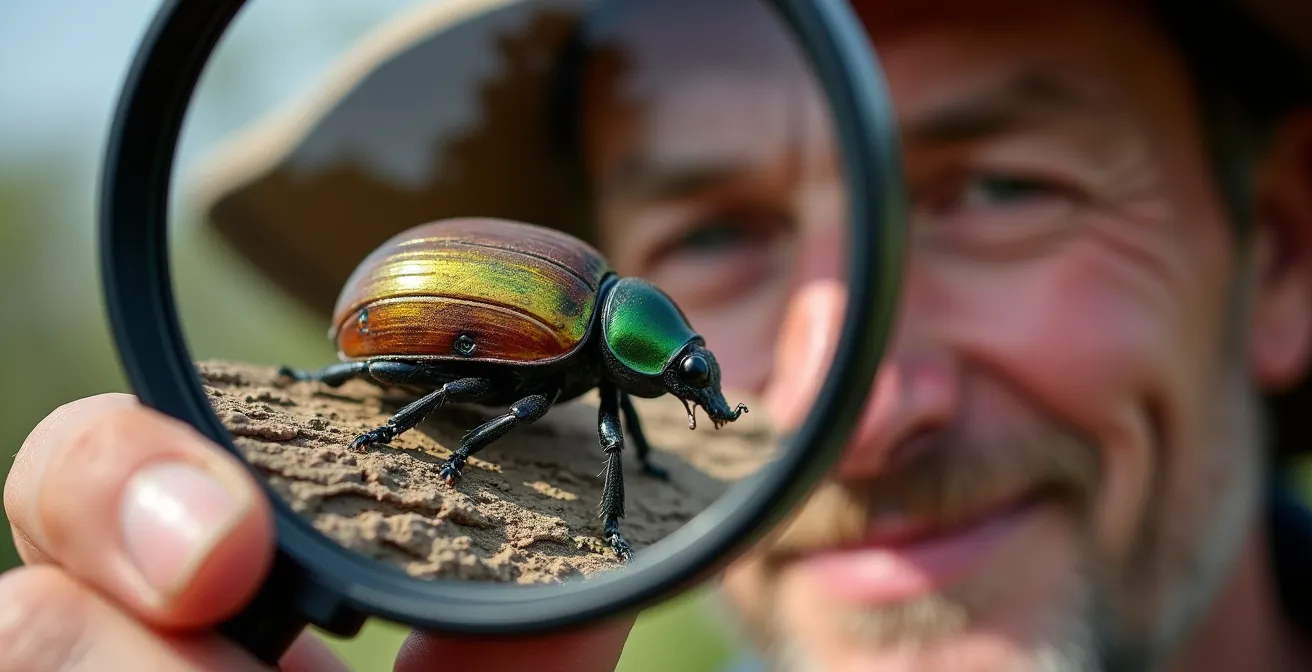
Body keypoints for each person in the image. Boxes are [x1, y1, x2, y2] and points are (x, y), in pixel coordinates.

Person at [4, 0, 1311, 669]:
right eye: (719, 234)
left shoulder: (616, 375)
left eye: (999, 191)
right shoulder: (566, 347)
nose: (847, 410)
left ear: (1287, 249)